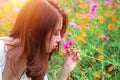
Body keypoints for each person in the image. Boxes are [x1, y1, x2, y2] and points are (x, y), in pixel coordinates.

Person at [0, 0, 80, 80]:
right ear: (33, 31)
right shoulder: (1, 51)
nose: (59, 39)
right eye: (55, 33)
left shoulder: (35, 69)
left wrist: (65, 70)